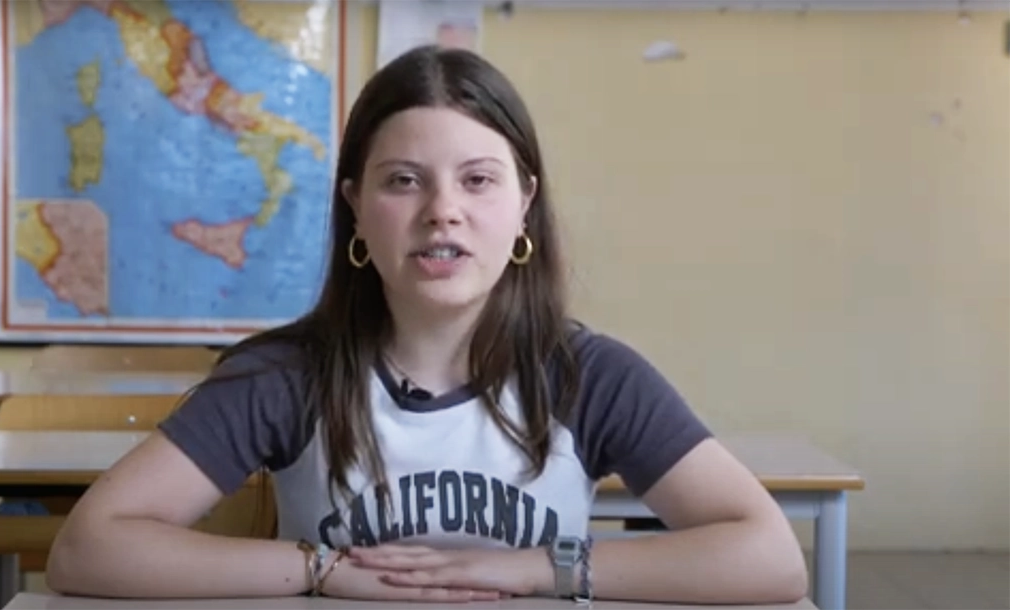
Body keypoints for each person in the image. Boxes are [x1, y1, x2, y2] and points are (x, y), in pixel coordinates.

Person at [45, 45, 808, 604]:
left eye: (478, 180)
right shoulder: (287, 376)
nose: (443, 210)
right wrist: (322, 570)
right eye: (404, 181)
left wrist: (536, 569)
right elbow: (88, 548)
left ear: (524, 204)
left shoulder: (588, 376)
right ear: (355, 205)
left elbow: (770, 557)